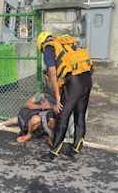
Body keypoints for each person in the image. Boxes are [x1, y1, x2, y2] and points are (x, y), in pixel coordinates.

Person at [36, 32, 93, 162]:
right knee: (80, 116)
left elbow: (52, 71)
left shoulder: (49, 48)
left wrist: (57, 97)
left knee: (62, 116)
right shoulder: (65, 44)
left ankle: (53, 154)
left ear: (41, 44)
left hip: (74, 83)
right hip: (86, 80)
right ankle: (76, 150)